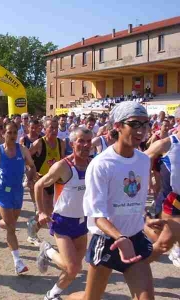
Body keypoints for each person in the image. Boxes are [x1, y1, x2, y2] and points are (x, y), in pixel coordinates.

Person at [80, 101, 154, 300]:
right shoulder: (101, 164)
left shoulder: (143, 160)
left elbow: (135, 201)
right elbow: (96, 215)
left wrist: (147, 218)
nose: (141, 130)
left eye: (145, 124)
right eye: (134, 124)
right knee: (91, 298)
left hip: (135, 240)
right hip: (107, 242)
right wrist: (120, 238)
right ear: (118, 126)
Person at [36, 127, 93, 300]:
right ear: (71, 143)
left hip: (82, 222)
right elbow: (39, 185)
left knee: (74, 269)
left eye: (88, 141)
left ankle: (51, 295)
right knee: (74, 267)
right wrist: (40, 212)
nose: (85, 145)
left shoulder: (93, 165)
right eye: (81, 141)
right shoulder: (62, 166)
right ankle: (47, 251)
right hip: (62, 221)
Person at [0, 122, 36, 275]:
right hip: (2, 191)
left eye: (14, 133)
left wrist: (31, 179)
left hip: (18, 191)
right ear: (3, 134)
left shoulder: (23, 150)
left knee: (9, 223)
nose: (12, 136)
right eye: (9, 133)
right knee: (11, 227)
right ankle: (18, 262)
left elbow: (32, 166)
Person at [144, 110, 180, 267]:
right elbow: (141, 160)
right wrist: (147, 182)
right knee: (164, 242)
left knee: (165, 238)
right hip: (171, 199)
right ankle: (136, 267)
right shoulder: (166, 143)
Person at [27, 118, 65, 245]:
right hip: (41, 181)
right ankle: (35, 232)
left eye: (56, 128)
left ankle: (33, 225)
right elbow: (26, 157)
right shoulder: (39, 143)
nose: (54, 130)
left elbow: (63, 161)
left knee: (54, 209)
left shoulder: (61, 143)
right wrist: (32, 173)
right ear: (45, 129)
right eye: (51, 128)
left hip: (56, 181)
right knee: (47, 210)